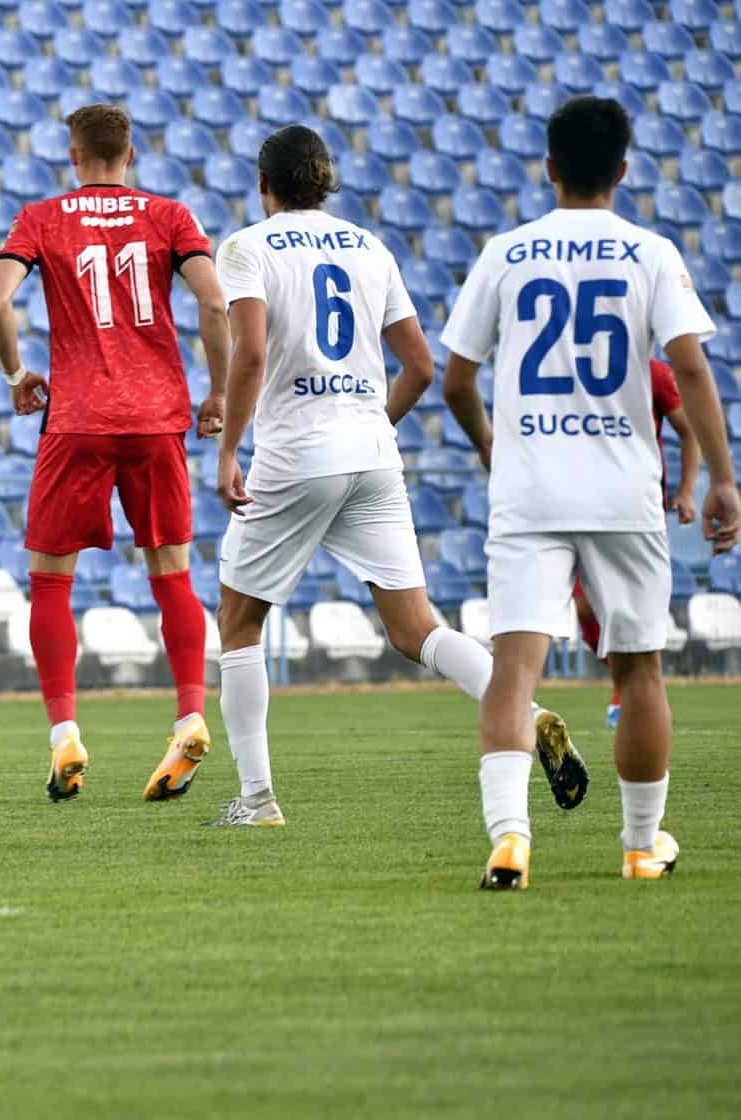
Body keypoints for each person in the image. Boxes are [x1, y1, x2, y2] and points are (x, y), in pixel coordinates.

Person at [207, 125, 586, 828]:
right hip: (374, 453)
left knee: (239, 622)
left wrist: (230, 450)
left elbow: (252, 353)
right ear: (325, 184)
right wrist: (374, 422)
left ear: (264, 186)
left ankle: (257, 799)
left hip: (295, 454)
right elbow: (420, 365)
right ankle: (525, 711)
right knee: (416, 628)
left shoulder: (247, 248)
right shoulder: (369, 246)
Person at [441, 95, 740, 889]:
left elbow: (457, 376)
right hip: (621, 489)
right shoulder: (649, 253)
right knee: (639, 670)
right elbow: (694, 367)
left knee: (514, 671)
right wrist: (721, 475)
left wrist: (488, 442)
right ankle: (642, 847)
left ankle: (510, 840)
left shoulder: (507, 252)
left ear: (549, 168)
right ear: (623, 170)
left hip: (531, 486)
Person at [0, 102, 231, 803]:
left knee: (51, 580)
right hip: (157, 417)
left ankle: (65, 732)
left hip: (79, 417)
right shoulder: (171, 216)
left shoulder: (42, 217)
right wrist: (215, 395)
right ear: (132, 153)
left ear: (73, 154)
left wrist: (16, 377)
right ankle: (188, 714)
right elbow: (214, 305)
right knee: (172, 573)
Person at [573, 356, 699, 728]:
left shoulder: (655, 372)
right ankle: (621, 678)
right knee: (583, 607)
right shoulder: (577, 368)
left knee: (634, 606)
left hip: (640, 508)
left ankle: (629, 689)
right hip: (586, 504)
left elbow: (689, 430)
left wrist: (687, 492)